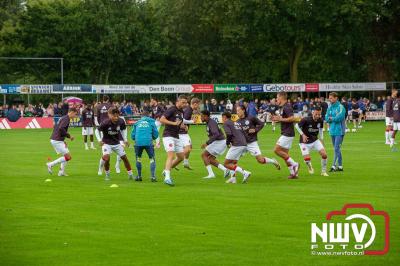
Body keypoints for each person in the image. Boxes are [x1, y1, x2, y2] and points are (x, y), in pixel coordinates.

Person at [235, 105, 281, 172]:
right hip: (242, 144)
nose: (237, 112)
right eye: (236, 111)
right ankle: (233, 178)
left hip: (252, 143)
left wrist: (255, 130)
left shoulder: (251, 118)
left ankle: (273, 161)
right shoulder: (237, 122)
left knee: (260, 160)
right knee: (232, 159)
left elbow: (261, 124)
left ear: (243, 110)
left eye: (238, 110)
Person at [96, 107, 133, 181]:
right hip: (106, 143)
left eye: (117, 116)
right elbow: (97, 130)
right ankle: (107, 174)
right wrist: (99, 140)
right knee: (107, 158)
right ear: (109, 115)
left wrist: (125, 139)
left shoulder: (121, 121)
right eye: (114, 116)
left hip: (117, 143)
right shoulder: (105, 122)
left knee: (124, 158)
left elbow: (124, 130)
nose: (116, 118)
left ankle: (131, 175)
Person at [160, 95, 188, 186]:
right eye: (183, 102)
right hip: (168, 136)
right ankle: (167, 178)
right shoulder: (172, 109)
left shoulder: (181, 111)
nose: (185, 104)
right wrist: (173, 123)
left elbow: (179, 122)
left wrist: (183, 126)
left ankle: (166, 170)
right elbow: (162, 119)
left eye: (186, 102)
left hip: (176, 136)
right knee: (171, 155)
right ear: (178, 101)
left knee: (181, 157)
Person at [272, 92, 300, 179]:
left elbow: (292, 118)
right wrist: (278, 119)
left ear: (281, 97)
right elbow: (285, 119)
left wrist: (280, 119)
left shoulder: (287, 106)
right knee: (285, 155)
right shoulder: (283, 107)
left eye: (277, 97)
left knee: (276, 150)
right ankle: (293, 173)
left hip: (287, 133)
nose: (276, 99)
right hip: (288, 132)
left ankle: (295, 164)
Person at [295, 107, 329, 176]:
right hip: (304, 142)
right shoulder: (306, 119)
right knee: (307, 159)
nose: (317, 116)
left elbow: (320, 130)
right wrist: (303, 135)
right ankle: (309, 166)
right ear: (313, 112)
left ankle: (323, 171)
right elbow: (296, 126)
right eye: (316, 114)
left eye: (319, 114)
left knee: (324, 154)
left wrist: (322, 140)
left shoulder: (320, 120)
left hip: (315, 140)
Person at [46, 108, 78, 176]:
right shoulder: (66, 119)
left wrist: (63, 140)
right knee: (68, 157)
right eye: (75, 114)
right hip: (57, 140)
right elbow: (61, 128)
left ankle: (61, 172)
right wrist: (69, 136)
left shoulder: (64, 118)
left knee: (65, 155)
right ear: (71, 112)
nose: (75, 116)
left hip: (57, 139)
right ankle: (50, 164)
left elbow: (57, 128)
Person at [222, 112, 251, 184]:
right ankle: (233, 179)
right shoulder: (236, 123)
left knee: (226, 164)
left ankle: (245, 173)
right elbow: (244, 133)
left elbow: (229, 134)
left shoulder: (226, 123)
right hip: (243, 144)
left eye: (222, 117)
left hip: (237, 144)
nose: (222, 119)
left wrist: (227, 143)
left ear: (224, 117)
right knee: (233, 162)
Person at [200, 110, 230, 179]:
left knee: (204, 155)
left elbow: (216, 134)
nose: (200, 118)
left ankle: (211, 174)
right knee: (210, 159)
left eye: (202, 116)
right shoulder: (209, 122)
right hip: (220, 142)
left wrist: (207, 143)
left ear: (206, 116)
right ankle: (225, 170)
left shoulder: (211, 123)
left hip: (219, 142)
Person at [131, 111, 159, 181]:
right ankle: (153, 177)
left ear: (141, 116)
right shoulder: (151, 122)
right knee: (152, 159)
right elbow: (156, 134)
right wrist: (152, 137)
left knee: (138, 158)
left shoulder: (137, 123)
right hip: (148, 142)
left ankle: (139, 176)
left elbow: (132, 136)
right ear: (149, 115)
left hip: (138, 143)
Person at [325, 92, 346, 172]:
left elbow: (339, 118)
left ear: (336, 98)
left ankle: (333, 166)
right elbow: (326, 118)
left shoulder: (341, 107)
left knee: (336, 148)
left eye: (331, 98)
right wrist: (331, 119)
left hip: (340, 131)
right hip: (332, 131)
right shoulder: (329, 107)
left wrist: (331, 119)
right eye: (329, 98)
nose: (330, 99)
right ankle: (340, 166)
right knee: (337, 149)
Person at [179, 97, 200, 170]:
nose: (198, 106)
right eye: (198, 105)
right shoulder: (189, 110)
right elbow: (183, 120)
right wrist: (192, 122)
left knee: (189, 147)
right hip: (182, 133)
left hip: (183, 132)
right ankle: (176, 161)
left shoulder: (189, 109)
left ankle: (185, 163)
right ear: (195, 104)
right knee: (187, 148)